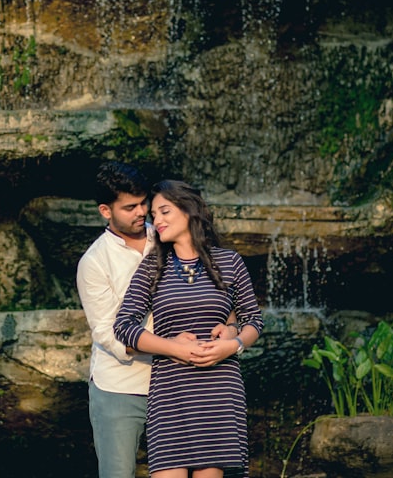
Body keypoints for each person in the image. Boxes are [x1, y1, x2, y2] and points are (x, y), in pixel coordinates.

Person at [77, 163, 236, 478]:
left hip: (182, 382)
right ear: (105, 211)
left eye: (143, 203)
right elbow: (109, 335)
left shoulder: (169, 235)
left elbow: (218, 290)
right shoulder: (94, 263)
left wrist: (229, 327)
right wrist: (172, 347)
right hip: (121, 388)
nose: (142, 212)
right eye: (130, 207)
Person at [114, 179, 264, 478]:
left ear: (189, 210)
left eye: (164, 211)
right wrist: (173, 347)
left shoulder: (229, 261)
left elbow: (254, 320)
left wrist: (232, 344)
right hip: (171, 391)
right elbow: (124, 326)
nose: (156, 220)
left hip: (218, 389)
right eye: (154, 215)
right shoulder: (153, 266)